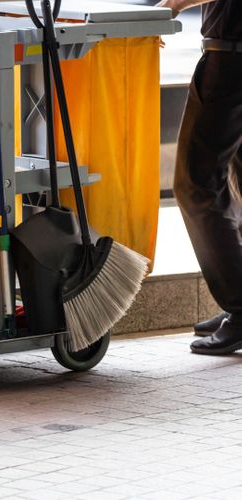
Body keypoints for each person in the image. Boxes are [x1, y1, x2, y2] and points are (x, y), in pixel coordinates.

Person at [156, 0, 242, 354]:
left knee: (195, 184)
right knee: (235, 179)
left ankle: (240, 307)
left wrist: (173, 4)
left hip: (230, 62)